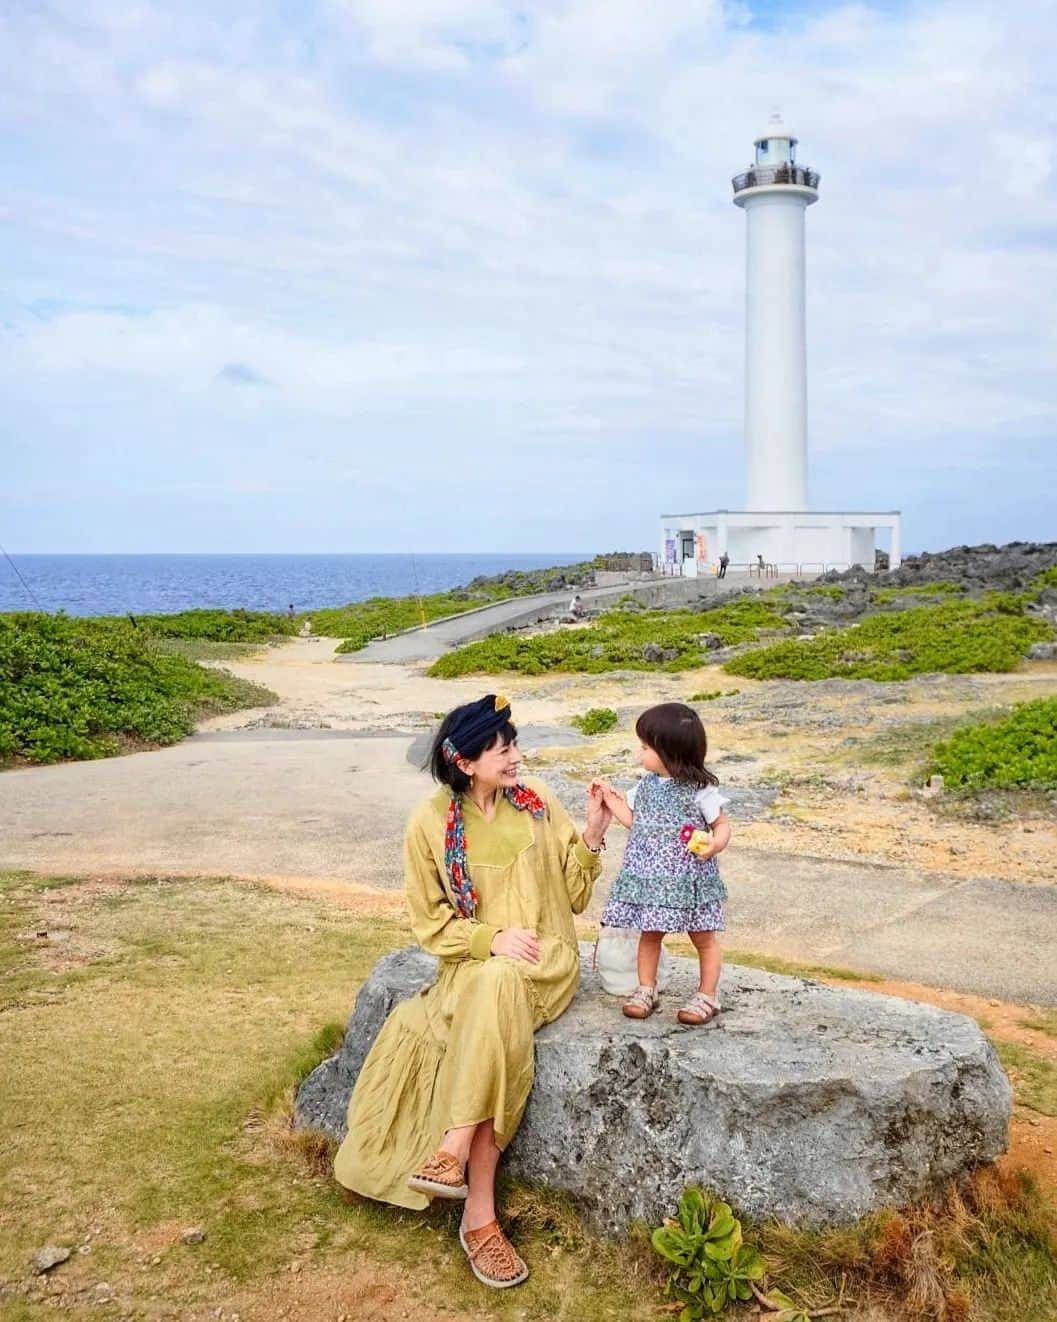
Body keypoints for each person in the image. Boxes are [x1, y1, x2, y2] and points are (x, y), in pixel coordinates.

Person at [333, 694, 611, 1288]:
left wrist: (591, 833)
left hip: (548, 962)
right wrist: (490, 939)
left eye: (513, 745)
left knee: (499, 988)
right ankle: (479, 1220)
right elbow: (432, 924)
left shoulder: (538, 805)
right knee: (493, 996)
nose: (515, 756)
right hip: (476, 969)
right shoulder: (428, 824)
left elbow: (576, 897)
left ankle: (452, 1149)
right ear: (466, 761)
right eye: (501, 748)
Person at [593, 703, 731, 1026]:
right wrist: (610, 798)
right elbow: (635, 822)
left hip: (688, 877)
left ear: (668, 750)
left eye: (645, 747)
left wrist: (714, 845)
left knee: (703, 937)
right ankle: (646, 989)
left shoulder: (701, 789)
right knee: (650, 934)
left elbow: (722, 825)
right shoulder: (646, 786)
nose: (640, 754)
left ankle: (707, 994)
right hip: (651, 877)